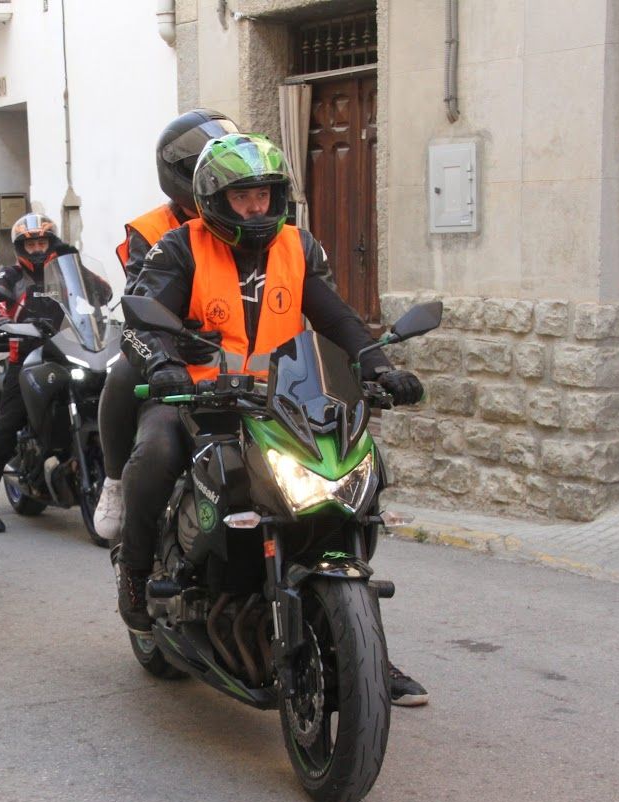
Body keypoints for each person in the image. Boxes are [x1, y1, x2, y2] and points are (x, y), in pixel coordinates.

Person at [117, 133, 429, 706]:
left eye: (263, 195)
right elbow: (141, 321)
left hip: (282, 400)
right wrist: (163, 364)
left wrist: (379, 366)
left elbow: (336, 318)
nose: (256, 208)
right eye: (242, 197)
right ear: (214, 199)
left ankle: (361, 648)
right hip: (197, 398)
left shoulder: (298, 246)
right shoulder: (180, 247)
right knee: (155, 453)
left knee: (352, 479)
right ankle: (135, 575)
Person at [93, 108, 240, 540]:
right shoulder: (152, 228)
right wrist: (176, 338)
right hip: (169, 350)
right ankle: (114, 481)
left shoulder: (249, 217)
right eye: (207, 168)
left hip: (240, 357)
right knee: (122, 372)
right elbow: (140, 297)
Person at [0, 213, 75, 533]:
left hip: (66, 354)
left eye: (42, 242)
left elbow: (101, 293)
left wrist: (74, 261)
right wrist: (1, 320)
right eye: (31, 244)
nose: (37, 248)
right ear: (21, 247)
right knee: (6, 429)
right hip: (25, 359)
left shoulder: (64, 272)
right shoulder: (12, 274)